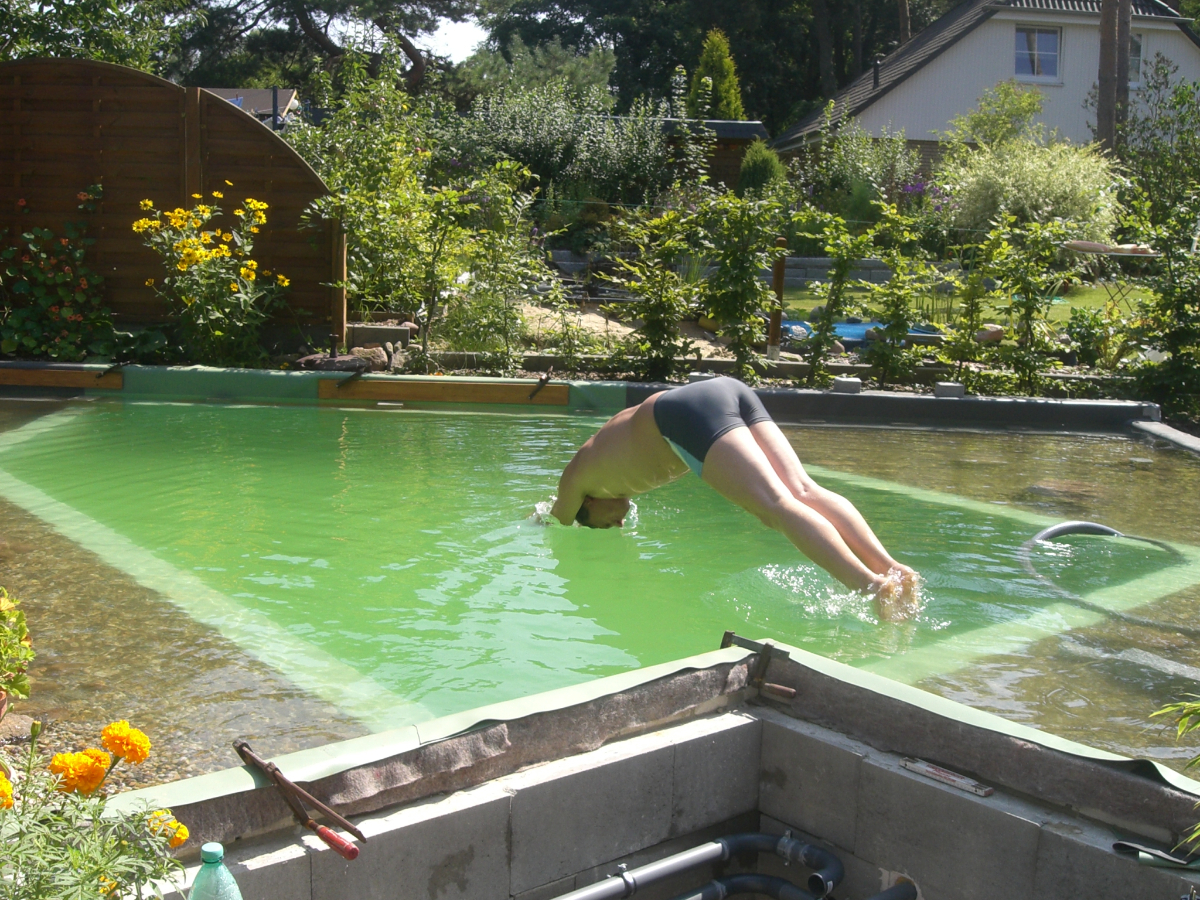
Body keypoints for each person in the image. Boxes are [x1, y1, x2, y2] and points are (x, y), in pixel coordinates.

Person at [550, 376, 921, 620]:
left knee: (776, 506)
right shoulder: (603, 460)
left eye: (602, 523)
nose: (617, 523)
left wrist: (540, 521)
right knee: (803, 491)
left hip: (681, 414)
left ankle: (872, 587)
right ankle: (894, 570)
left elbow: (555, 520)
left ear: (590, 504)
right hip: (722, 389)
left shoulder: (574, 480)